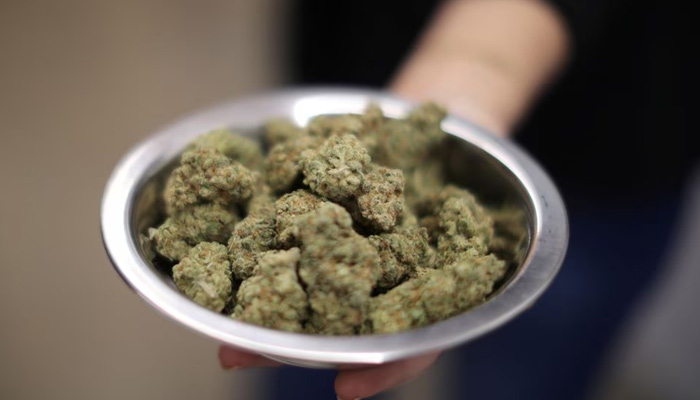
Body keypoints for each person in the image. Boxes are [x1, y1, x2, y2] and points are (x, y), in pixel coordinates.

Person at [220, 0, 698, 399]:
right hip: (364, 43)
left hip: (601, 146)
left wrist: (477, 68)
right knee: (308, 373)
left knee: (524, 375)